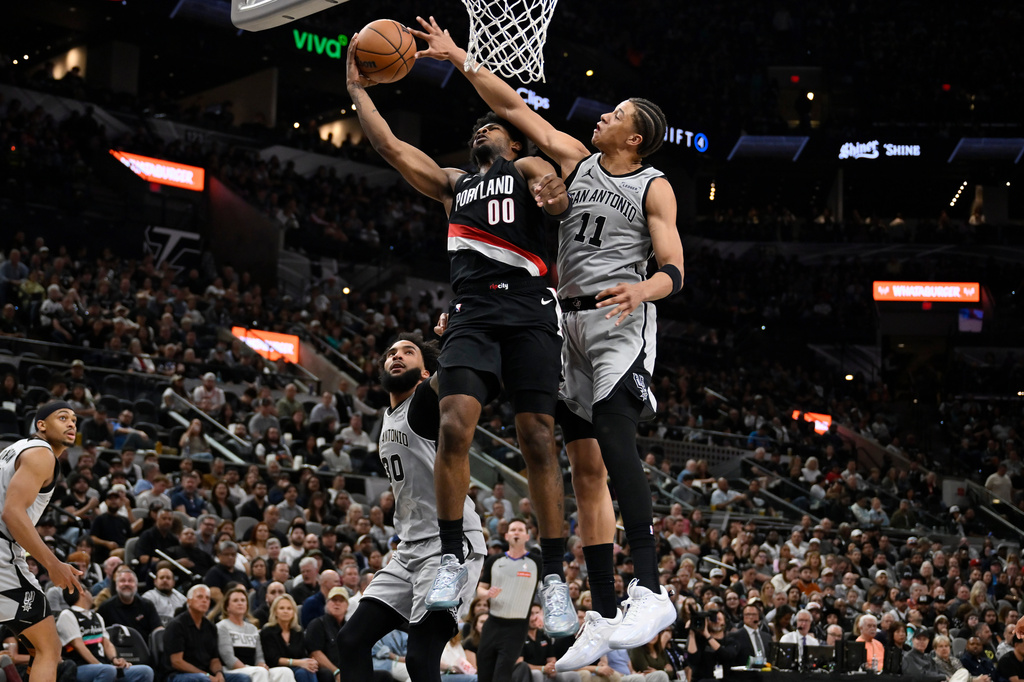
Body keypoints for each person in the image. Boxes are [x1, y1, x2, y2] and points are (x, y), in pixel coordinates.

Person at [412, 17, 683, 667]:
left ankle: (650, 587)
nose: (602, 116)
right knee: (583, 467)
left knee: (616, 431)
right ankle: (604, 608)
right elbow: (508, 104)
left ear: (635, 135)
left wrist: (642, 291)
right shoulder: (572, 159)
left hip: (621, 317)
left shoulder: (653, 184)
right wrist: (459, 57)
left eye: (615, 113)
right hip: (565, 322)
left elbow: (674, 266)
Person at [345, 33, 576, 638]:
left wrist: (552, 193)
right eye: (475, 128)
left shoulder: (525, 165)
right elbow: (392, 147)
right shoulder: (454, 185)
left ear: (512, 139)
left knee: (538, 437)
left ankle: (553, 576)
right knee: (452, 424)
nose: (481, 131)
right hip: (471, 312)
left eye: (491, 127)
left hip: (528, 308)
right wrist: (356, 90)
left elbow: (552, 196)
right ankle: (450, 555)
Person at [335, 335, 486, 681]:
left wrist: (453, 334)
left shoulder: (423, 403)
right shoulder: (388, 416)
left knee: (421, 658)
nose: (396, 356)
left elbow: (449, 372)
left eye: (407, 352)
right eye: (391, 353)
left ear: (424, 374)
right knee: (352, 639)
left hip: (450, 545)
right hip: (409, 549)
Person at [0, 401, 85, 682]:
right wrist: (53, 564)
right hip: (2, 555)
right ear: (41, 425)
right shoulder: (41, 454)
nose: (72, 423)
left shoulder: (13, 451)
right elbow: (12, 513)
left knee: (37, 648)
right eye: (63, 417)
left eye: (74, 419)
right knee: (49, 648)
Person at [475, 519, 539, 682]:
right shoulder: (494, 561)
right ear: (506, 535)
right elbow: (480, 588)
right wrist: (487, 593)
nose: (516, 532)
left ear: (527, 536)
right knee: (484, 671)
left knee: (502, 675)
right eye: (513, 530)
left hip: (517, 626)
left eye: (520, 530)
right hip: (493, 623)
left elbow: (545, 590)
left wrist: (543, 613)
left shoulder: (536, 562)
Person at [56, 586, 155, 682]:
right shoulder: (67, 615)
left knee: (146, 671)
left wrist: (114, 659)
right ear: (83, 592)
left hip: (104, 666)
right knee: (108, 671)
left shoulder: (97, 616)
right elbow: (79, 646)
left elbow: (107, 643)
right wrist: (100, 665)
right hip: (80, 667)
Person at [163, 585, 249, 682]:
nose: (204, 600)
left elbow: (214, 659)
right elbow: (177, 662)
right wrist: (206, 675)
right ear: (189, 601)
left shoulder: (210, 627)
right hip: (179, 675)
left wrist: (218, 673)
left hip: (206, 674)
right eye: (200, 597)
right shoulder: (177, 625)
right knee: (202, 679)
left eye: (207, 598)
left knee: (243, 678)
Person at [216, 586, 293, 682]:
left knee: (284, 671)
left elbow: (259, 656)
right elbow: (228, 658)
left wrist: (261, 664)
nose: (240, 603)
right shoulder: (222, 626)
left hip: (254, 670)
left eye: (243, 600)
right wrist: (252, 669)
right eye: (235, 601)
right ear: (227, 607)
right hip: (232, 670)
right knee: (260, 672)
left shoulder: (252, 628)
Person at [260, 595, 318, 682]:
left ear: (293, 612)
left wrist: (310, 662)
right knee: (302, 672)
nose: (285, 611)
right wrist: (300, 663)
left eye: (289, 608)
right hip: (276, 670)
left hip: (297, 668)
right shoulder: (267, 632)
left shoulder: (298, 632)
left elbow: (302, 655)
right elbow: (274, 659)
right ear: (275, 611)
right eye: (282, 608)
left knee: (309, 670)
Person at [96, 566, 162, 640]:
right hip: (115, 650)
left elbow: (158, 629)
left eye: (130, 581)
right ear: (116, 585)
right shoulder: (105, 607)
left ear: (136, 585)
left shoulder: (147, 605)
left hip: (143, 649)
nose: (126, 584)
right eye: (122, 581)